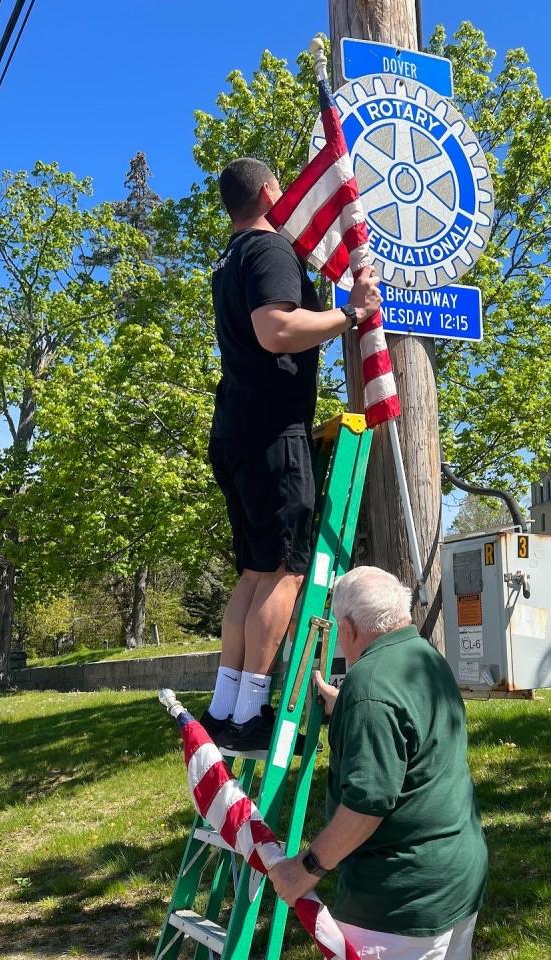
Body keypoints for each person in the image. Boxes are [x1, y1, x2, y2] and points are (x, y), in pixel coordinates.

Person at [203, 158, 382, 752]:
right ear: (270, 193)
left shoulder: (227, 260)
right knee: (286, 571)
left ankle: (225, 708)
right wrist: (351, 312)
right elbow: (276, 330)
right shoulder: (269, 250)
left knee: (255, 574)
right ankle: (252, 713)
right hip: (272, 430)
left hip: (234, 428)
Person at [269, 566, 488, 960]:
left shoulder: (369, 687)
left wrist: (306, 867)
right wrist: (345, 707)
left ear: (349, 628)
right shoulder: (424, 658)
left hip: (399, 901)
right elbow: (409, 726)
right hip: (456, 875)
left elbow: (366, 806)